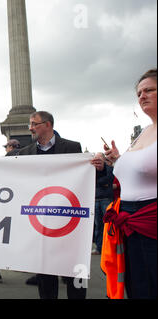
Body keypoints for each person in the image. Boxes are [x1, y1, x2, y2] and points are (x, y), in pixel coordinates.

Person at [18, 111, 85, 299]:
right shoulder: (25, 153)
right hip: (40, 218)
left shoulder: (72, 147)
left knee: (74, 267)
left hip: (68, 216)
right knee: (45, 269)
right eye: (30, 124)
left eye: (34, 124)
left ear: (48, 125)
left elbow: (84, 177)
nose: (30, 128)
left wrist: (98, 166)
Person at [102, 68, 157, 299]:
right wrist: (117, 160)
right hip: (127, 222)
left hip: (151, 219)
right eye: (139, 93)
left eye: (149, 90)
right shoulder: (144, 132)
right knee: (136, 286)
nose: (142, 96)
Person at [91, 152, 114, 255]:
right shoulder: (92, 169)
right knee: (98, 225)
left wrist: (97, 181)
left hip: (106, 199)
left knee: (109, 224)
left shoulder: (109, 168)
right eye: (96, 159)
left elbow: (109, 178)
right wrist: (101, 182)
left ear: (104, 160)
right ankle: (99, 248)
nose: (98, 161)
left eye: (100, 159)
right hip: (95, 200)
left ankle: (111, 247)